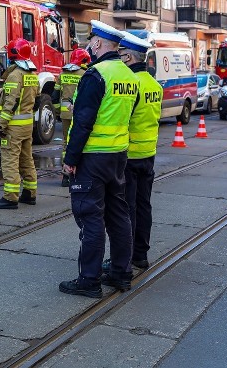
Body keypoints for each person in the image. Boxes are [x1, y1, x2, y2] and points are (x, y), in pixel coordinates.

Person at [59, 21, 138, 298]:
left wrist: (70, 159)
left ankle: (89, 280)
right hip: (118, 156)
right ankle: (121, 273)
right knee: (119, 215)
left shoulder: (96, 75)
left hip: (92, 158)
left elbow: (82, 121)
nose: (89, 46)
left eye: (91, 41)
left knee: (91, 218)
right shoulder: (129, 76)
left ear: (97, 44)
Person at [102, 32, 162, 278]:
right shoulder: (154, 85)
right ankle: (140, 255)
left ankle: (123, 261)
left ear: (127, 56)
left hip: (129, 155)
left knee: (125, 210)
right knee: (143, 206)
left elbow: (123, 118)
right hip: (149, 154)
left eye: (120, 54)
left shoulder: (132, 83)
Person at [0, 38, 40, 209]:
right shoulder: (33, 75)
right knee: (27, 159)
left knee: (10, 160)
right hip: (27, 126)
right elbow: (38, 100)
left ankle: (11, 198)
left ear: (13, 54)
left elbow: (10, 103)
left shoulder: (14, 75)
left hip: (13, 126)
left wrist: (1, 125)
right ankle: (30, 193)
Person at [53, 48, 91, 187]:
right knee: (80, 142)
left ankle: (65, 176)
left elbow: (55, 97)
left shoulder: (63, 74)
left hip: (65, 115)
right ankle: (78, 172)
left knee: (66, 143)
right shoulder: (86, 74)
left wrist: (59, 112)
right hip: (80, 115)